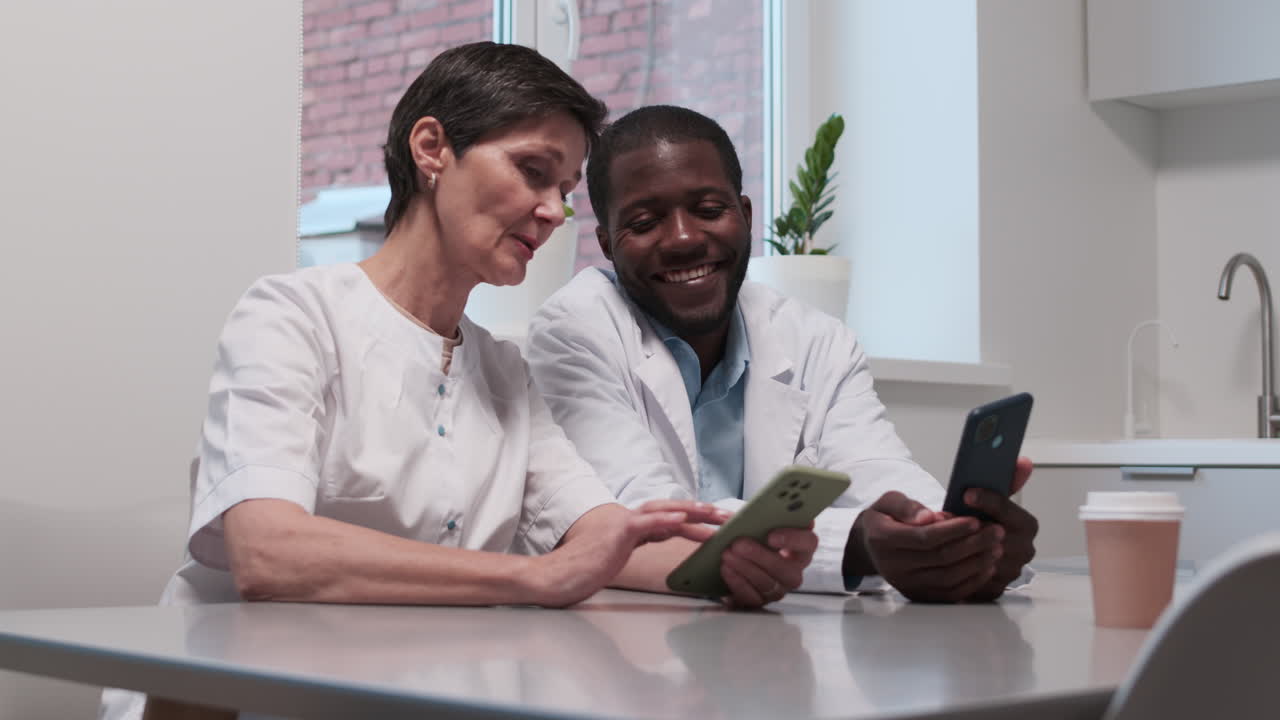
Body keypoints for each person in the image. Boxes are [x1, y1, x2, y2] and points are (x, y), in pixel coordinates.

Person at [102, 45, 741, 720]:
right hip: (228, 701)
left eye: (564, 190)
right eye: (533, 172)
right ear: (432, 149)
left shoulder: (505, 373)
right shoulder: (291, 317)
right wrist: (532, 577)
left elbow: (604, 538)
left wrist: (738, 563)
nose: (555, 212)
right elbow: (268, 553)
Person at [526, 105, 1038, 604]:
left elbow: (877, 469)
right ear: (607, 245)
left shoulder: (817, 340)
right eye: (643, 222)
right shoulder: (574, 331)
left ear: (745, 216)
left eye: (709, 211)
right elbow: (644, 517)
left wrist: (958, 539)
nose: (683, 239)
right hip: (634, 637)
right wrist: (855, 546)